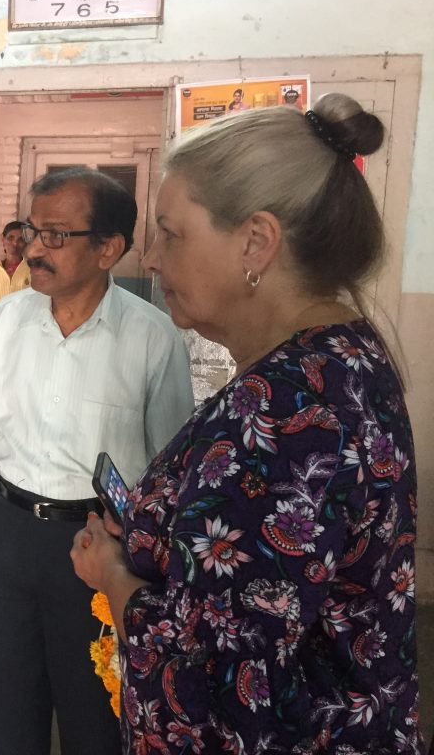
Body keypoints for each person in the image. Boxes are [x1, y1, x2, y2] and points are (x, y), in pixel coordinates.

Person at [71, 94, 422, 753]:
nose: (151, 258)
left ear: (255, 243)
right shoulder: (339, 355)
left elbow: (213, 682)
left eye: (171, 233)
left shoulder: (287, 411)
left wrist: (114, 575)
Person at [0, 168, 194, 755]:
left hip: (98, 548)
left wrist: (147, 573)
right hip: (4, 537)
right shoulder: (5, 322)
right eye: (32, 230)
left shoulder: (152, 338)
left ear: (108, 249)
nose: (34, 250)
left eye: (55, 235)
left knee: (96, 719)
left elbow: (168, 475)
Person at [0, 220, 31, 308]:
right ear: (3, 239)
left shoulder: (32, 271)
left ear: (26, 242)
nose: (15, 243)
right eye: (10, 238)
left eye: (21, 239)